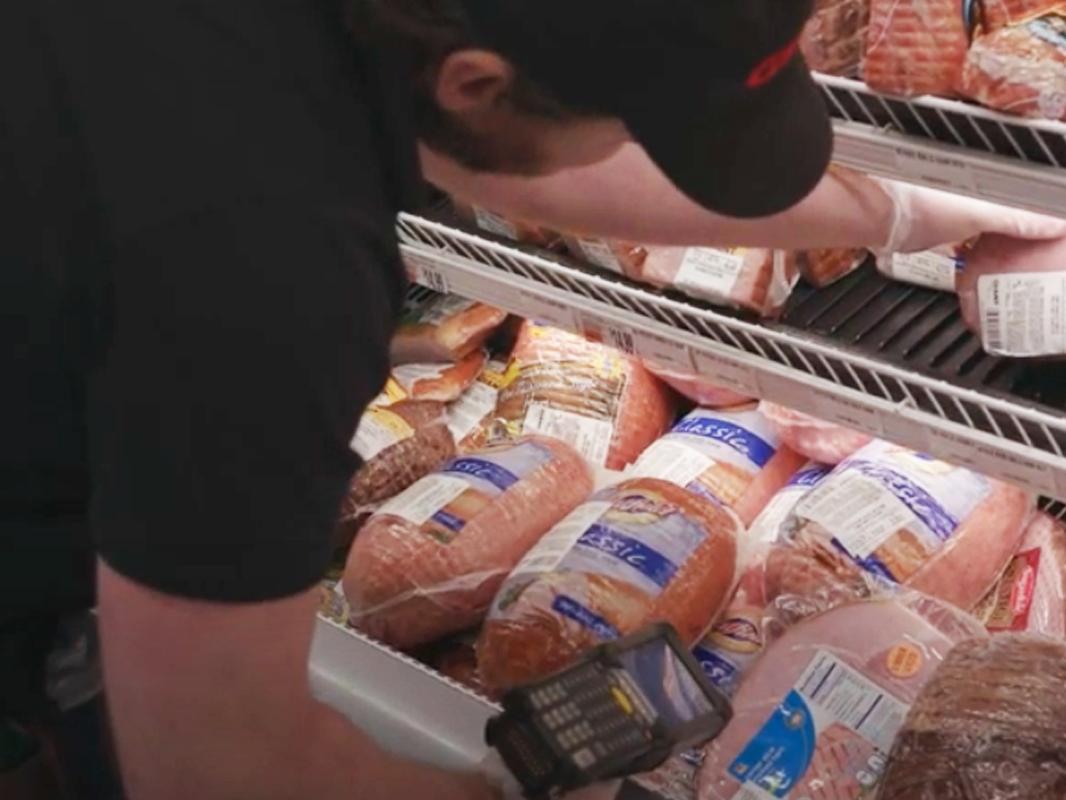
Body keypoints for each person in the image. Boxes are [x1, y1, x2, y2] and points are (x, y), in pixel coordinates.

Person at [3, 0, 1062, 798]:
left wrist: (905, 210)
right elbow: (218, 761)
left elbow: (536, 159)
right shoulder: (262, 264)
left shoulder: (396, 37)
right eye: (647, 122)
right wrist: (483, 787)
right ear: (471, 82)